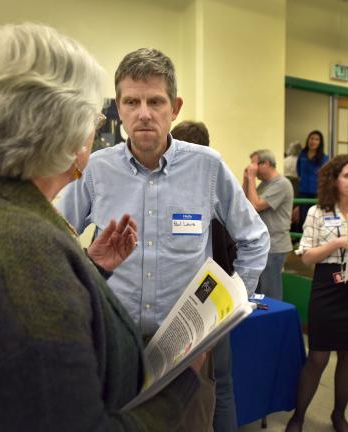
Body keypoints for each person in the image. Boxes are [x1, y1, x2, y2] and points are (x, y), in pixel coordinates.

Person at [0, 23, 203, 432]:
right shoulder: (18, 252)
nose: (96, 129)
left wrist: (90, 269)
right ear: (59, 129)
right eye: (95, 117)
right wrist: (182, 383)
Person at [57, 48, 270, 431]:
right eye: (131, 102)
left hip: (188, 353)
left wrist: (219, 320)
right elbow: (53, 235)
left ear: (174, 106)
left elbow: (255, 239)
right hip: (115, 348)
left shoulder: (207, 166)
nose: (143, 113)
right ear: (118, 108)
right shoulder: (96, 170)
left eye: (155, 101)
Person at [287, 154, 348, 432]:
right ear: (334, 180)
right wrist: (337, 242)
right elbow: (306, 257)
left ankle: (339, 415)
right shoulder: (317, 212)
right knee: (318, 357)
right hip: (327, 285)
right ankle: (298, 416)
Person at [170, 119, 239, 432]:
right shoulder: (221, 191)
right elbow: (234, 250)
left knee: (192, 393)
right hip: (217, 299)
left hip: (193, 307)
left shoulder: (180, 197)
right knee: (221, 386)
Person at [243, 149, 294, 300]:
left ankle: (275, 322)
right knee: (260, 292)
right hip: (263, 245)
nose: (251, 167)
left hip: (275, 246)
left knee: (271, 292)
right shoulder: (263, 185)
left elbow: (256, 205)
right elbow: (244, 205)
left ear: (266, 164)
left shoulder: (282, 184)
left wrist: (251, 179)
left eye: (254, 163)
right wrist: (247, 180)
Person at [295, 130, 328, 231]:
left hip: (317, 193)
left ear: (320, 142)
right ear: (308, 140)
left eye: (316, 139)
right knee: (303, 218)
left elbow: (325, 176)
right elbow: (298, 171)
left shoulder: (324, 158)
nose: (313, 141)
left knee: (315, 217)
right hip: (303, 192)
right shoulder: (302, 154)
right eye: (311, 138)